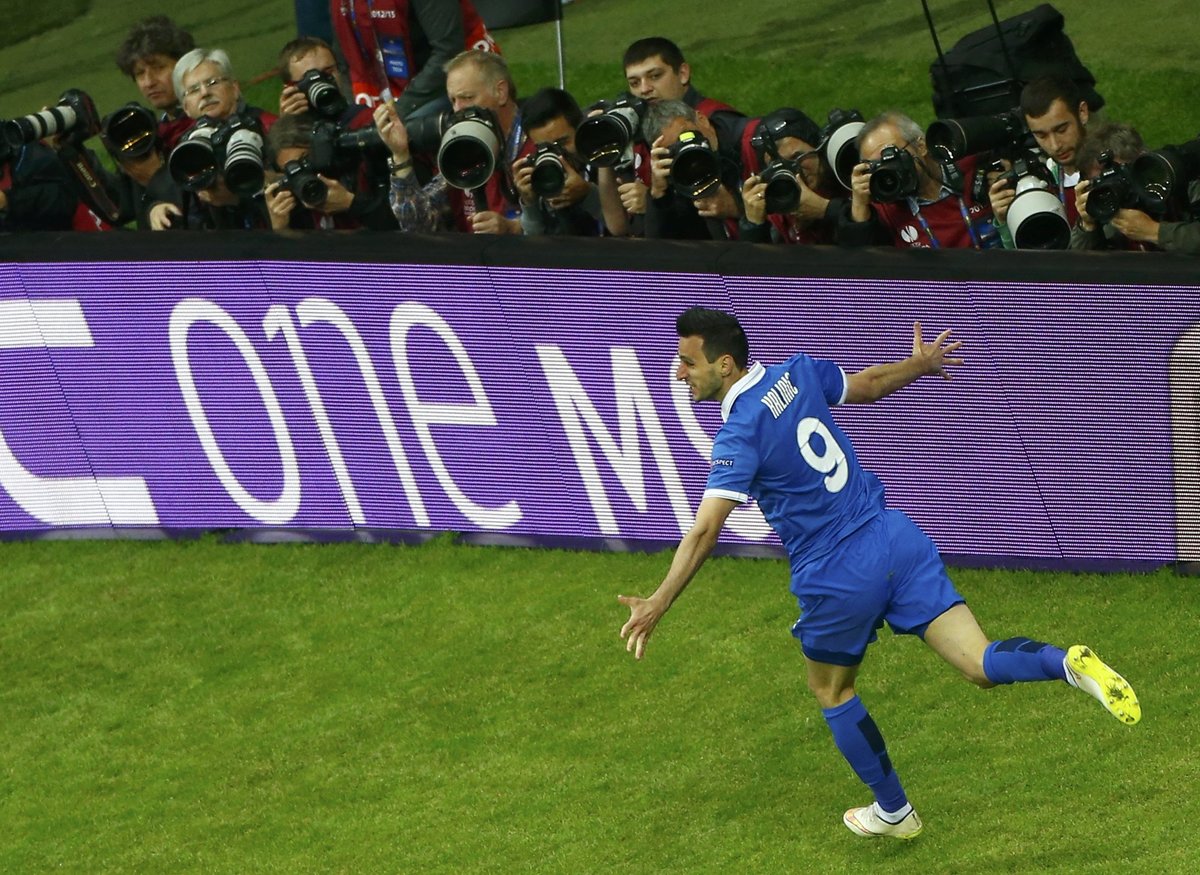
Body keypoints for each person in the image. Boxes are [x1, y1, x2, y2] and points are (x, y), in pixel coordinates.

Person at [618, 306, 1141, 840]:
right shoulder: (797, 372)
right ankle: (1065, 664)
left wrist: (658, 601)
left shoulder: (737, 435)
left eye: (688, 362)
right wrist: (920, 364)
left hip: (836, 572)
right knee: (980, 662)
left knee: (831, 690)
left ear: (725, 364)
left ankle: (894, 811)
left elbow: (705, 532)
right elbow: (867, 386)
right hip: (894, 538)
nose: (678, 373)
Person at [374, 49, 526, 234]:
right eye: (453, 100)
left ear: (500, 92)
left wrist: (514, 227)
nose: (458, 109)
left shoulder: (539, 137)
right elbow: (417, 224)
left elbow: (555, 222)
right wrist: (400, 155)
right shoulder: (463, 149)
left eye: (467, 98)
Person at [619, 37, 744, 224]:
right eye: (635, 83)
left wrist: (655, 201)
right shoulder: (641, 126)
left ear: (683, 73)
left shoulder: (717, 124)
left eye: (655, 76)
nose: (644, 89)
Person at [840, 110, 1002, 249]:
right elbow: (860, 262)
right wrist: (859, 204)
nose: (887, 170)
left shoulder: (974, 168)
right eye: (876, 165)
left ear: (921, 146)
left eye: (891, 157)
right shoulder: (883, 205)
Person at [331, 0, 499, 118]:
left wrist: (400, 109)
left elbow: (448, 51)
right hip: (387, 90)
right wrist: (357, 112)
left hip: (446, 84)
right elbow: (344, 62)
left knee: (395, 133)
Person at [513, 87, 626, 237]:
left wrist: (587, 194)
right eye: (545, 147)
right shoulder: (542, 171)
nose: (558, 154)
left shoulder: (606, 157)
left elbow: (625, 230)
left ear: (580, 130)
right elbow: (534, 242)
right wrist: (530, 203)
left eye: (562, 142)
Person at [1072, 122, 1200, 254]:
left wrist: (1154, 231)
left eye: (1118, 177)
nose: (1112, 188)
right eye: (1101, 182)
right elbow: (1080, 263)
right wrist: (1088, 226)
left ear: (1144, 161)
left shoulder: (1186, 184)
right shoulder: (1107, 208)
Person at [264, 112, 397, 230]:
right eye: (291, 170)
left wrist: (350, 203)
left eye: (305, 160)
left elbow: (401, 225)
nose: (302, 174)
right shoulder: (295, 203)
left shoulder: (364, 165)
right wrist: (281, 228)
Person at [737, 108, 845, 245]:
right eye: (779, 167)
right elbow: (756, 258)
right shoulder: (776, 210)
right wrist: (753, 226)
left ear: (819, 148)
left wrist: (826, 209)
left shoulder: (848, 179)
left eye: (797, 157)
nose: (794, 172)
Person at [640, 100, 742, 240]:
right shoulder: (682, 176)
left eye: (687, 136)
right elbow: (661, 248)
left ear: (702, 120)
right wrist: (659, 194)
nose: (687, 150)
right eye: (675, 149)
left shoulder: (745, 145)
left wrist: (737, 208)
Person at [1020, 75, 1090, 227]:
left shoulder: (1118, 162)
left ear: (1082, 112)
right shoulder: (1043, 181)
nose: (1054, 145)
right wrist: (1007, 221)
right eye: (1041, 135)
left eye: (1061, 130)